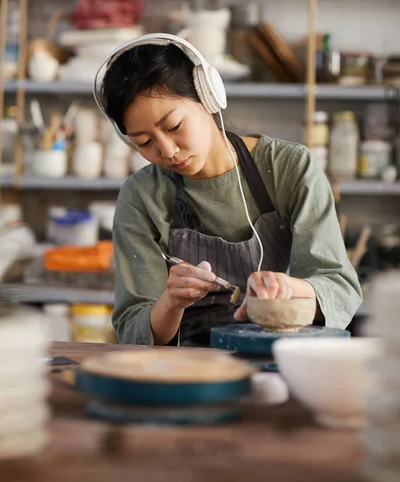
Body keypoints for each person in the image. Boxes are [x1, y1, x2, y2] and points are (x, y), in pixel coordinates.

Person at [94, 33, 362, 347]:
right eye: (144, 142)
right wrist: (171, 302)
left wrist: (290, 289)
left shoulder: (290, 167)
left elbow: (338, 287)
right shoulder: (142, 197)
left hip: (284, 356)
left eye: (174, 127)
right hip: (186, 368)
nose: (167, 151)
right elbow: (132, 330)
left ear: (208, 97)